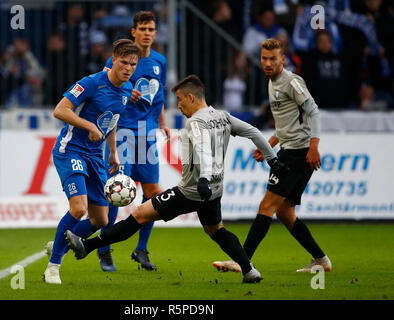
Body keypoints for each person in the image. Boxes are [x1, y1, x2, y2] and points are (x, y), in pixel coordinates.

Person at [65, 74, 290, 284]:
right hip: (215, 189)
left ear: (191, 97)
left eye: (181, 100)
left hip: (192, 190)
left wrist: (202, 178)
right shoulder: (223, 117)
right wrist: (273, 160)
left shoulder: (194, 123)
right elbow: (253, 131)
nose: (179, 106)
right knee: (216, 230)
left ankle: (87, 245)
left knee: (139, 215)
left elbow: (202, 150)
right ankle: (250, 270)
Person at [212, 38, 332, 273]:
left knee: (266, 206)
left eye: (273, 59)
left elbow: (314, 112)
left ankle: (242, 260)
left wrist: (314, 146)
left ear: (282, 59)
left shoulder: (291, 82)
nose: (268, 63)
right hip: (291, 150)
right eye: (264, 58)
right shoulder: (272, 82)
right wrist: (270, 143)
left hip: (297, 154)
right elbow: (287, 124)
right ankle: (320, 259)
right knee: (285, 213)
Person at [43, 39, 141, 284]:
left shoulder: (127, 89)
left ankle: (58, 245)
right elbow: (60, 110)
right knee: (79, 209)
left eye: (133, 64)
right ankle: (53, 268)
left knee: (101, 220)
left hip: (96, 155)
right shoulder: (91, 83)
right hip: (71, 150)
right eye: (124, 62)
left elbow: (113, 119)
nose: (128, 68)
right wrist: (88, 125)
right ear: (113, 59)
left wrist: (113, 151)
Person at [97, 11, 170, 272]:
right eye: (143, 28)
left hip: (148, 134)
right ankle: (104, 249)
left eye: (151, 29)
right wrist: (126, 90)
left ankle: (141, 249)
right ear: (133, 31)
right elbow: (103, 89)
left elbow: (159, 96)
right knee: (118, 192)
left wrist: (162, 123)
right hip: (124, 132)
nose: (147, 33)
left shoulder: (160, 61)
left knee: (152, 194)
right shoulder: (119, 59)